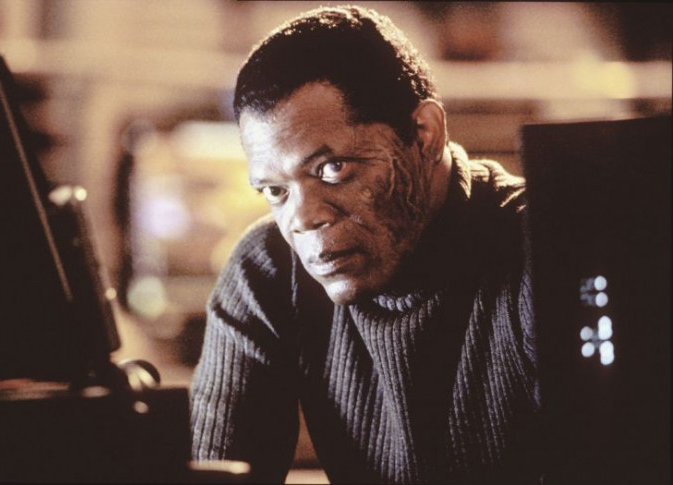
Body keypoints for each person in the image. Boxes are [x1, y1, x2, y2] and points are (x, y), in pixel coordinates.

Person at [190, 5, 540, 484]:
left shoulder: (542, 249)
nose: (303, 218)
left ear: (425, 134)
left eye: (332, 168)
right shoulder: (267, 272)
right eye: (275, 191)